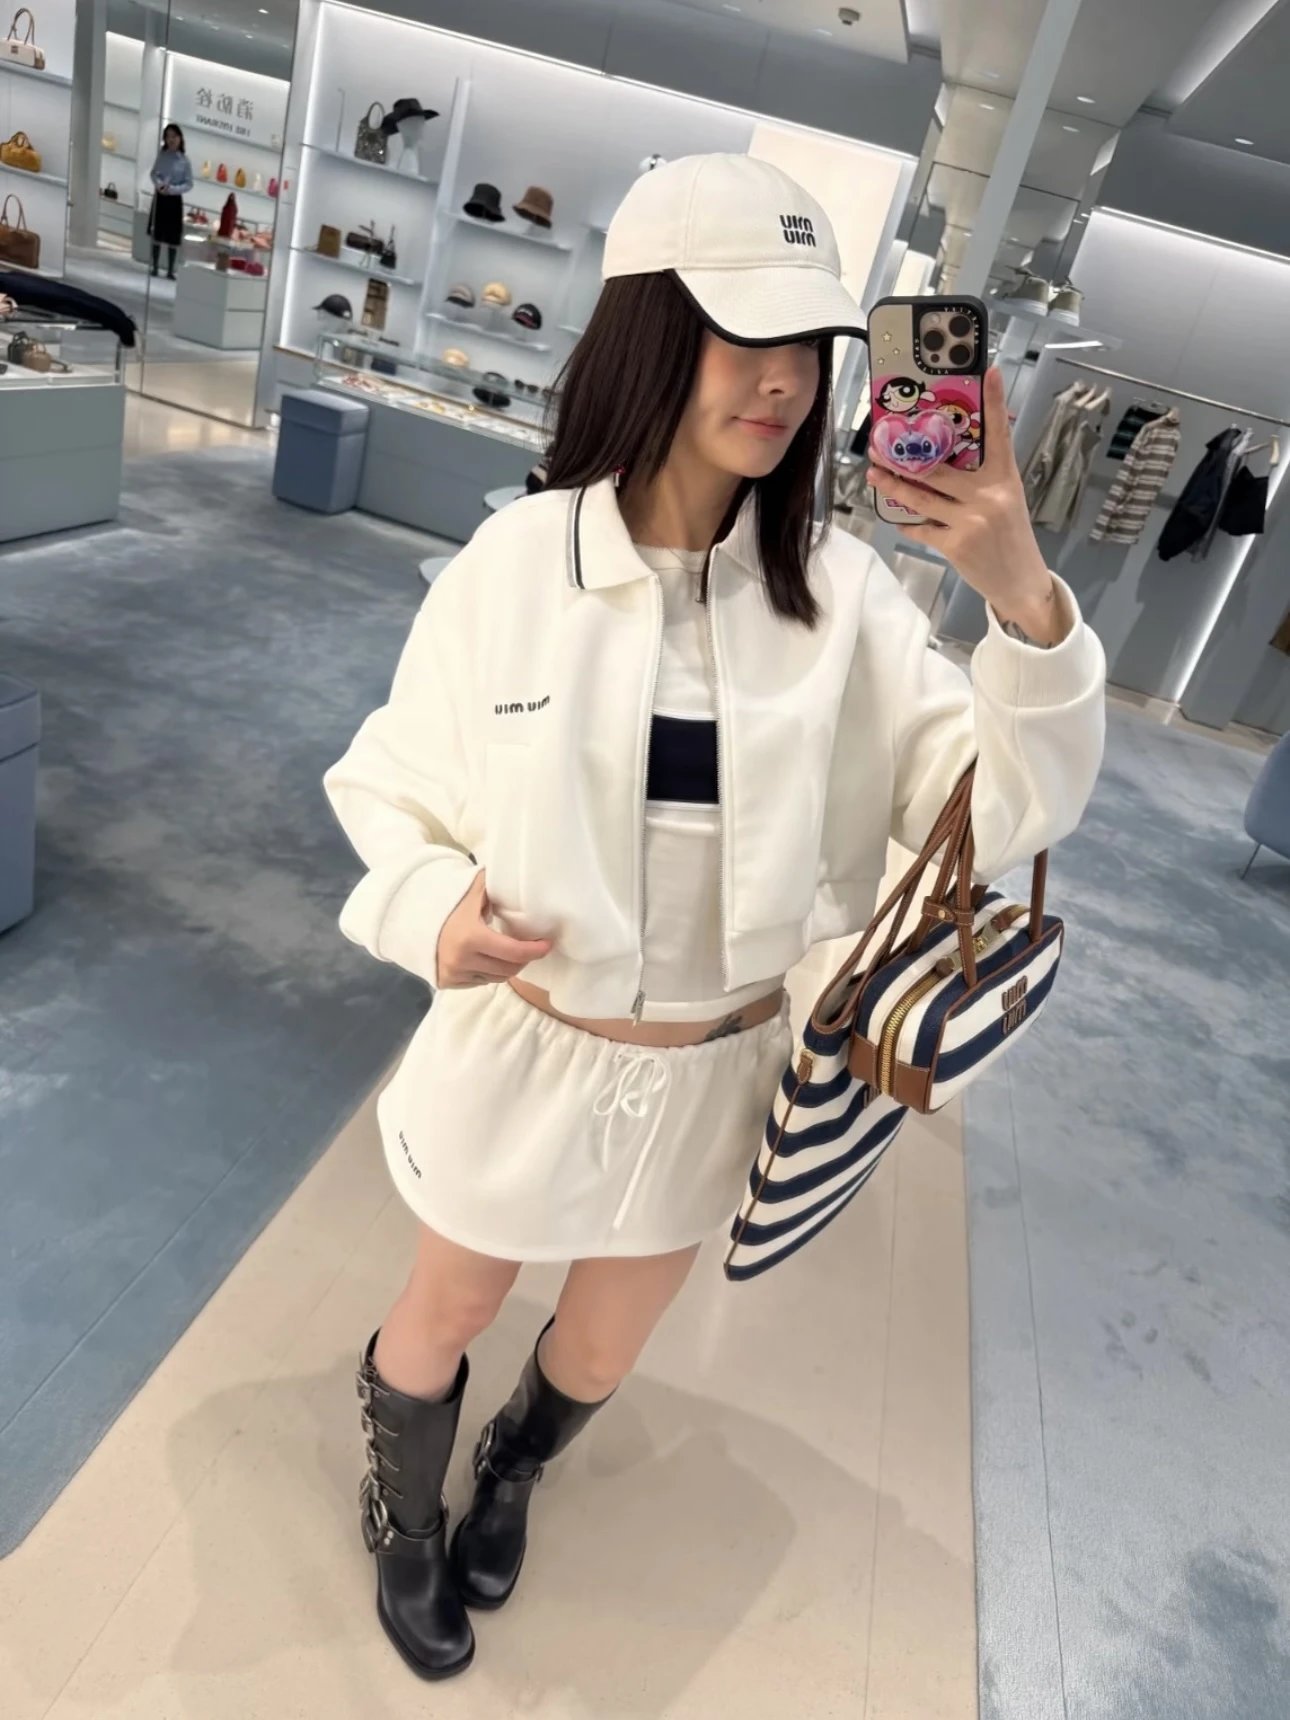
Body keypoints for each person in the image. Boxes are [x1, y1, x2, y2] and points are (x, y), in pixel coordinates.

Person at [324, 153, 1107, 1682]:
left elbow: (1002, 812)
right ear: (650, 333)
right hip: (526, 1042)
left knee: (602, 1342)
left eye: (804, 344)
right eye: (739, 335)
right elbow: (389, 778)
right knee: (449, 1302)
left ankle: (515, 1470)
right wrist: (431, 907)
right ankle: (402, 1512)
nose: (782, 381)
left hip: (713, 1067)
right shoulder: (516, 565)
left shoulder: (845, 598)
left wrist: (1021, 598)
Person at [148, 123, 192, 280]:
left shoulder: (185, 161)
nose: (171, 139)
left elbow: (189, 184)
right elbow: (153, 173)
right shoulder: (162, 155)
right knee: (157, 233)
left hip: (174, 200)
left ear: (180, 138)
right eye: (168, 136)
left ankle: (170, 270)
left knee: (173, 236)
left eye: (174, 136)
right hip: (160, 197)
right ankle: (154, 267)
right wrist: (159, 184)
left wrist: (172, 189)